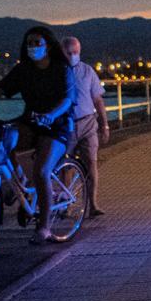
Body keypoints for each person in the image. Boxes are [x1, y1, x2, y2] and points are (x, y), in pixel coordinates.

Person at [0, 26, 75, 245]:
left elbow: (68, 100)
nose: (32, 47)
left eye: (37, 43)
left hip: (57, 126)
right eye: (29, 43)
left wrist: (51, 116)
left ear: (48, 46)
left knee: (42, 171)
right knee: (2, 139)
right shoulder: (24, 70)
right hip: (31, 121)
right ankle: (19, 181)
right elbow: (0, 89)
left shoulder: (62, 69)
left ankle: (44, 226)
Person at [62, 36, 109, 217]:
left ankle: (93, 205)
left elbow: (98, 99)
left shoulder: (87, 71)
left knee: (92, 162)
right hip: (67, 125)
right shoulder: (59, 72)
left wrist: (105, 125)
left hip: (88, 122)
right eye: (69, 52)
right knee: (67, 166)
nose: (73, 55)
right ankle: (66, 205)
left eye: (76, 52)